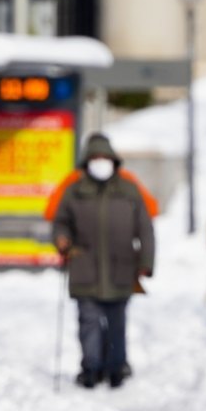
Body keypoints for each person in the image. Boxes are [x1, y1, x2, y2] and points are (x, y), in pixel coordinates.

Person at [52, 132, 156, 389]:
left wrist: (146, 261)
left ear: (113, 160)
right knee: (88, 323)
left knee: (116, 323)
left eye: (104, 157)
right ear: (87, 161)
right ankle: (90, 368)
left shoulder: (129, 190)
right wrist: (62, 239)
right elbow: (60, 223)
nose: (100, 162)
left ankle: (116, 367)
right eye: (95, 157)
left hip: (121, 268)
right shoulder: (74, 191)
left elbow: (145, 228)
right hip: (84, 267)